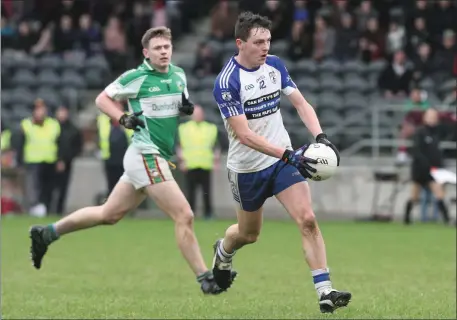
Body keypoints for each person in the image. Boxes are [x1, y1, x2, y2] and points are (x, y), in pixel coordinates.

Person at [29, 26, 235, 295]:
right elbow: (102, 99)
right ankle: (205, 278)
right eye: (158, 48)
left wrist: (186, 109)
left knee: (108, 214)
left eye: (167, 47)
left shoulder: (179, 75)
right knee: (184, 214)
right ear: (146, 52)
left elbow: (182, 106)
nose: (163, 52)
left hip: (154, 156)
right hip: (144, 154)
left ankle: (46, 234)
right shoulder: (136, 77)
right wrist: (122, 117)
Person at [211, 12, 351, 314]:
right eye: (258, 42)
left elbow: (300, 103)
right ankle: (223, 251)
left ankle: (325, 291)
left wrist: (321, 137)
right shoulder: (226, 82)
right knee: (248, 234)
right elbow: (244, 135)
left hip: (282, 161)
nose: (265, 47)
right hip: (247, 169)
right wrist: (288, 154)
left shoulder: (274, 65)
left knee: (308, 219)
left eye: (268, 41)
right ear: (240, 43)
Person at [403, 108, 451, 225]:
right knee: (414, 196)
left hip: (433, 170)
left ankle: (447, 220)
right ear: (425, 118)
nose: (432, 119)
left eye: (434, 116)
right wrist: (426, 164)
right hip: (420, 169)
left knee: (439, 194)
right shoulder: (420, 132)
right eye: (430, 116)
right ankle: (407, 218)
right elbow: (417, 151)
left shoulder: (436, 133)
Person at [177, 105, 220, 220]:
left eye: (200, 113)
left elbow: (216, 147)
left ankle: (208, 214)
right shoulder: (183, 128)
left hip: (206, 164)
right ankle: (190, 213)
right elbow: (179, 146)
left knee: (207, 192)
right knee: (190, 192)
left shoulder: (211, 128)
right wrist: (182, 161)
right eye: (196, 114)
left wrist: (216, 162)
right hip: (190, 164)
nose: (198, 116)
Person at [53, 105, 83, 215]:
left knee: (63, 188)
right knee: (49, 187)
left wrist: (64, 160)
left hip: (67, 163)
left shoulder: (73, 129)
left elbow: (77, 147)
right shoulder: (51, 126)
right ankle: (47, 208)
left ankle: (58, 210)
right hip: (49, 161)